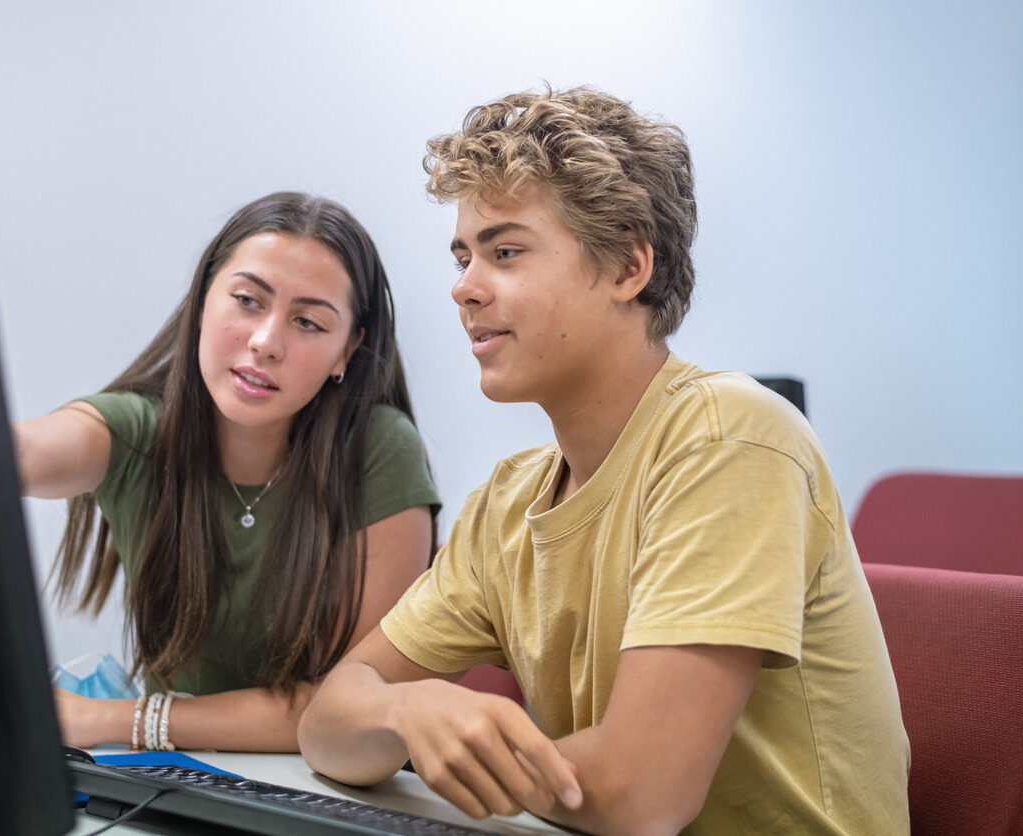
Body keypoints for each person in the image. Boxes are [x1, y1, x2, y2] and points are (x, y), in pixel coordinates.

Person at [299, 88, 910, 834]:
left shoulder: (729, 440)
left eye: (506, 251)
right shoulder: (507, 501)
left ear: (627, 265)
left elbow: (639, 795)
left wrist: (440, 748)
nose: (463, 286)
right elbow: (327, 721)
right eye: (463, 256)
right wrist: (407, 707)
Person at [15, 192, 440, 753]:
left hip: (328, 792)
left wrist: (117, 721)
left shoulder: (379, 450)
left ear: (348, 349)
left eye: (309, 323)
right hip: (168, 782)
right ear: (202, 302)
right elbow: (4, 454)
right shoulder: (136, 429)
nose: (266, 342)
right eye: (246, 300)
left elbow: (354, 707)